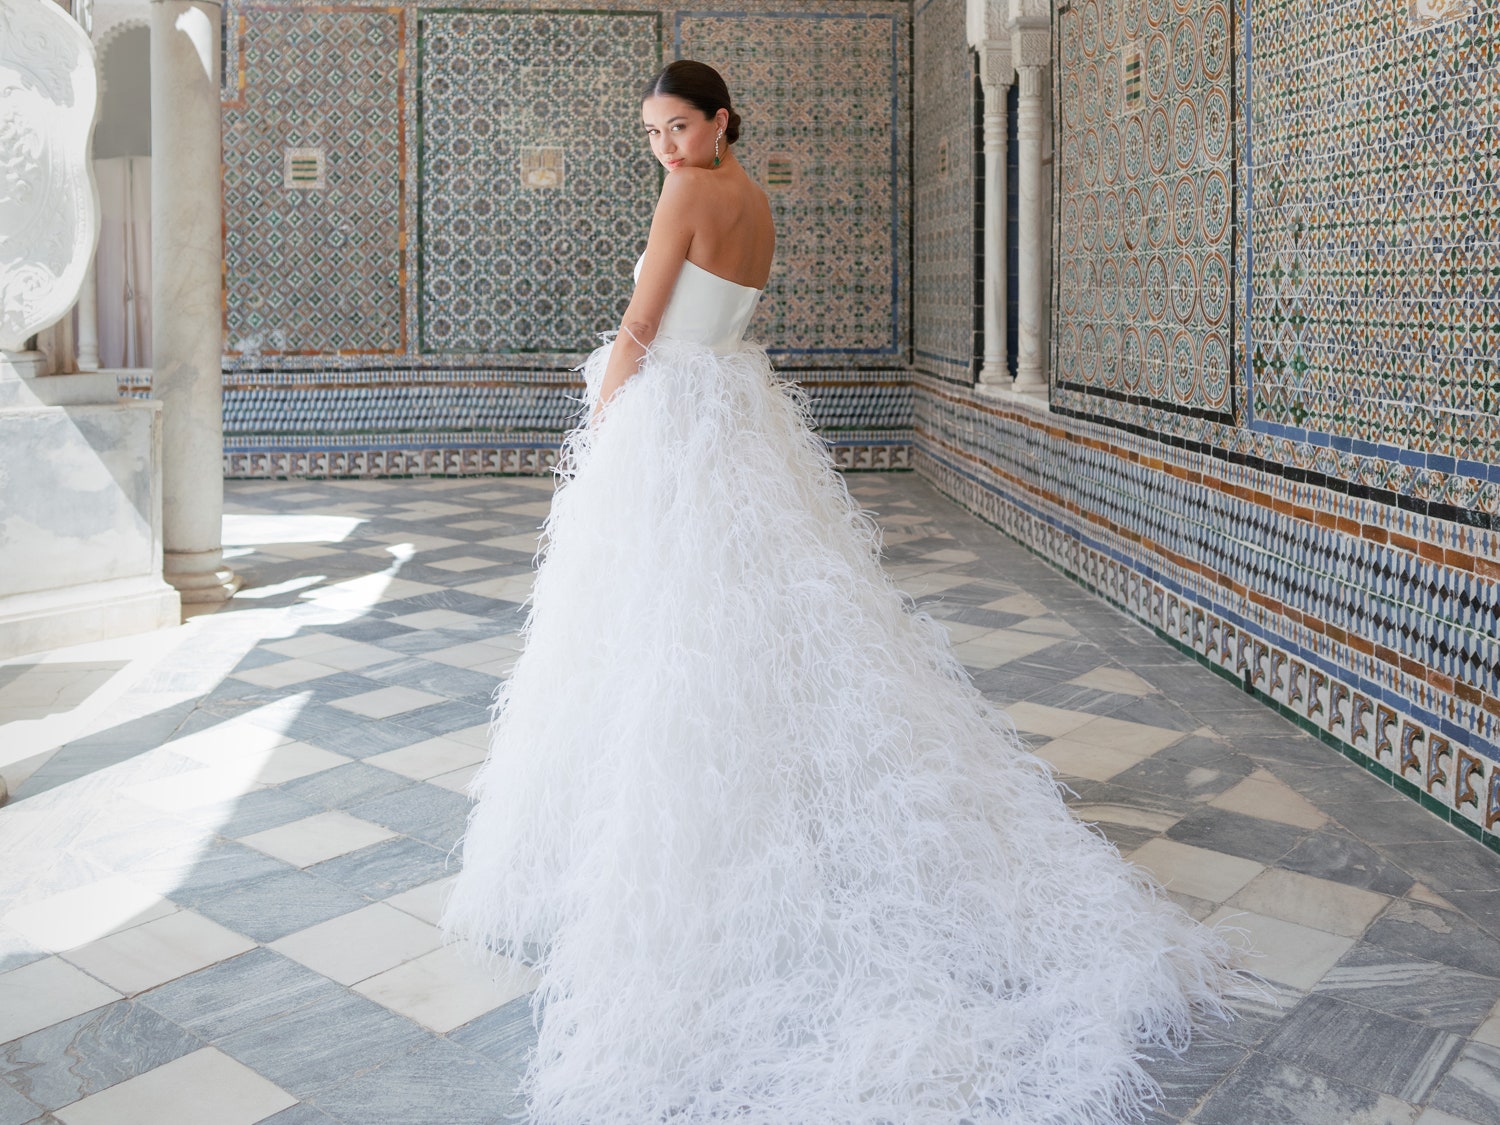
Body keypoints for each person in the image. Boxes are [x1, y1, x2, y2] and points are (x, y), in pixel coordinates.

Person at [442, 59, 1250, 1125]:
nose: (664, 148)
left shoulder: (691, 190)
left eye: (678, 127)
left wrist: (604, 422)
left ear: (720, 120)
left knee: (667, 628)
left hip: (674, 425)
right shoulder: (752, 197)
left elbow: (642, 325)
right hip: (733, 411)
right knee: (732, 621)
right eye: (651, 132)